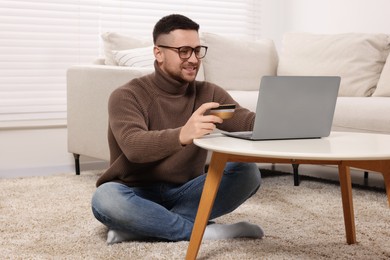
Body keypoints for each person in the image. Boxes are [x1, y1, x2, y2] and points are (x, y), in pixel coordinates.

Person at [91, 14, 263, 245]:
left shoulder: (209, 94)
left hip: (186, 191)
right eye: (183, 51)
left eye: (197, 50)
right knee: (106, 199)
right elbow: (133, 146)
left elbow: (246, 122)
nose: (193, 59)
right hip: (134, 192)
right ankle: (204, 232)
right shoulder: (127, 95)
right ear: (158, 53)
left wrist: (287, 116)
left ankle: (147, 227)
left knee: (246, 171)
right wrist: (183, 134)